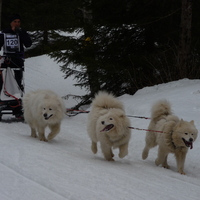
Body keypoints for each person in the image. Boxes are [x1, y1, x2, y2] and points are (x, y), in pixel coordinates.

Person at [0, 13, 32, 118]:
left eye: (18, 22)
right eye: (15, 22)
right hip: (6, 61)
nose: (17, 24)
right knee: (3, 82)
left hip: (18, 61)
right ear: (11, 23)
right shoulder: (4, 33)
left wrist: (21, 33)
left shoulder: (22, 32)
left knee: (18, 83)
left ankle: (17, 105)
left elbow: (28, 44)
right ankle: (2, 101)